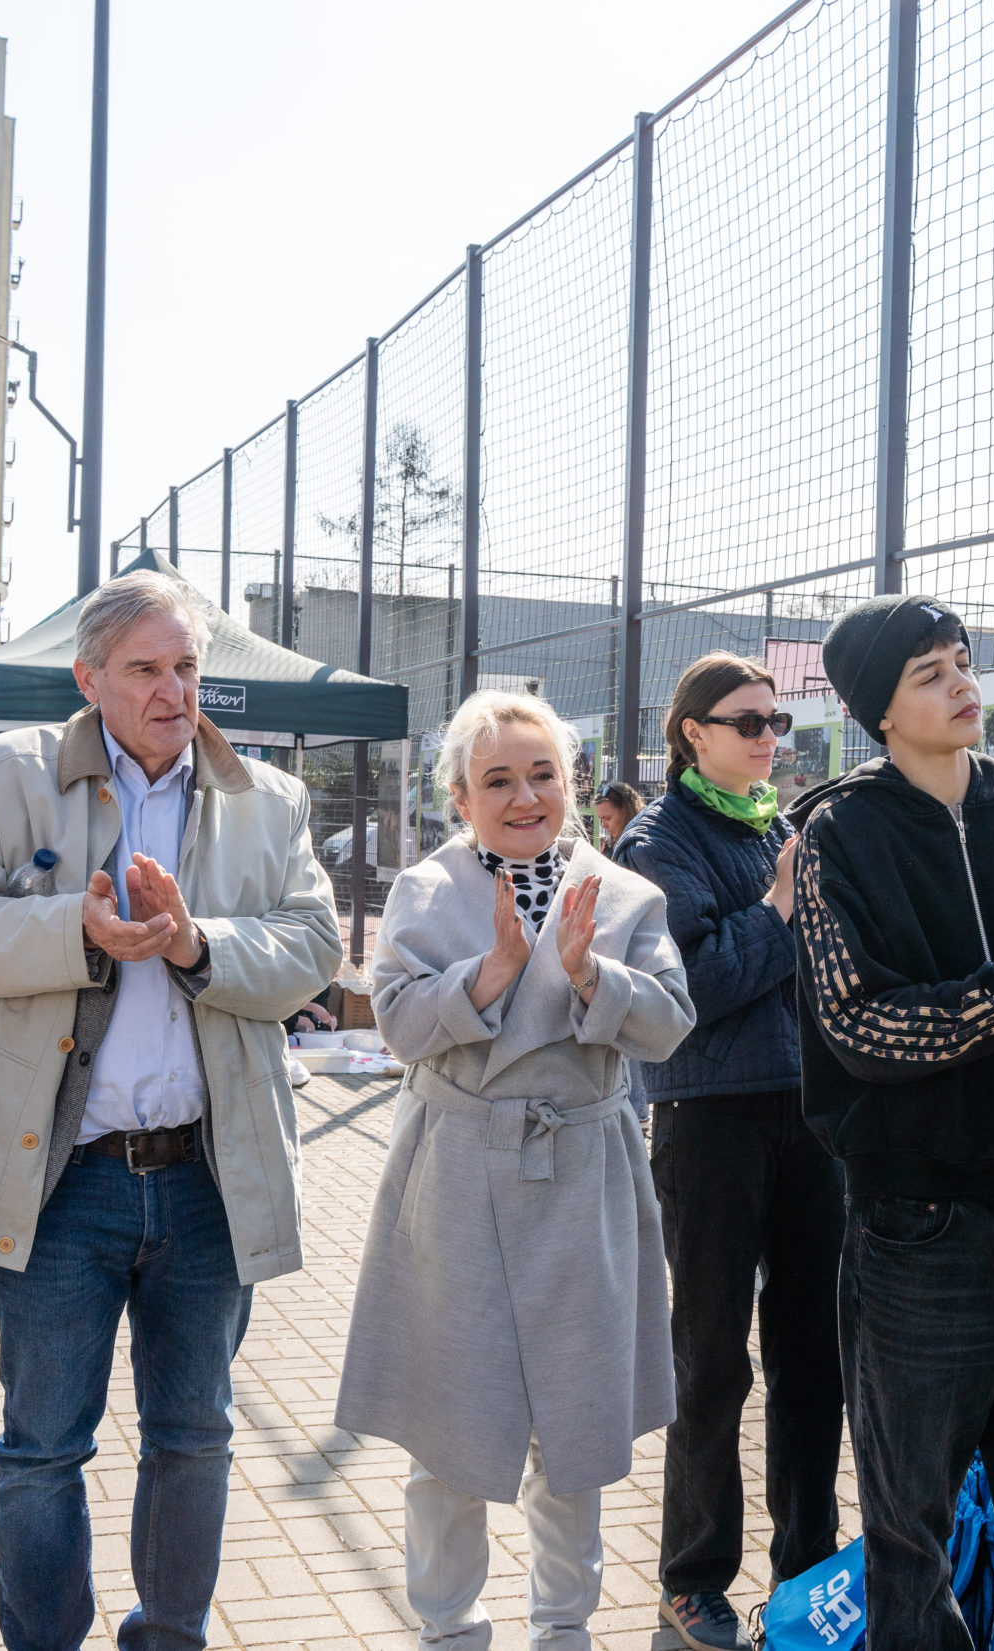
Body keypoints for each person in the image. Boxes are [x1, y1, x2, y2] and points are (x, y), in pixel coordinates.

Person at [0, 569, 341, 1651]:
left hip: (207, 1179)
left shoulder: (269, 798)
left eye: (185, 667)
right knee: (43, 1448)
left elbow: (313, 948)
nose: (171, 690)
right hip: (60, 1181)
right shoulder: (4, 774)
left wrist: (199, 944)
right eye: (144, 668)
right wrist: (76, 931)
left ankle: (170, 1637)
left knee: (195, 1437)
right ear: (87, 678)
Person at [337, 689, 696, 1651]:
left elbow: (671, 1023)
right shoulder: (425, 891)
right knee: (447, 1426)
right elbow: (397, 1023)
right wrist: (491, 972)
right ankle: (448, 1623)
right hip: (457, 1172)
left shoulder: (626, 895)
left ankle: (563, 1624)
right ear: (460, 796)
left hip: (584, 1172)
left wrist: (590, 975)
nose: (525, 795)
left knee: (574, 1431)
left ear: (571, 781)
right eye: (497, 779)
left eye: (543, 773)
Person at [786, 593, 994, 1650]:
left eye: (963, 661)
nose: (964, 684)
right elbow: (858, 1028)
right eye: (931, 673)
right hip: (917, 1230)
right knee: (909, 1538)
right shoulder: (839, 835)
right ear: (878, 709)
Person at [615, 654, 838, 1651]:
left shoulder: (777, 829)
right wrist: (781, 909)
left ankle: (807, 1569)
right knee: (709, 1357)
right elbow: (691, 990)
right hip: (708, 1119)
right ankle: (694, 1577)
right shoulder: (656, 840)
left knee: (813, 1356)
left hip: (810, 1115)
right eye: (746, 722)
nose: (767, 738)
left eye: (776, 722)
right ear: (691, 733)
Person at [594, 781, 643, 857]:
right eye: (601, 819)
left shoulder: (641, 848)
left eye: (608, 818)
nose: (603, 825)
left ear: (626, 811)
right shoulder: (610, 846)